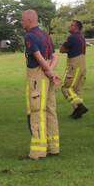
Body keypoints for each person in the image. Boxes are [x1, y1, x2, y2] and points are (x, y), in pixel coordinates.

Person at [21, 9, 62, 159]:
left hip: (38, 77)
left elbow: (38, 57)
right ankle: (53, 148)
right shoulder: (45, 35)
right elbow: (55, 56)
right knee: (51, 110)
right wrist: (51, 72)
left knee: (37, 112)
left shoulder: (30, 36)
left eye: (22, 20)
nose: (21, 23)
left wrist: (49, 72)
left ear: (29, 20)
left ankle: (38, 152)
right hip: (48, 75)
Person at [60, 19, 89, 119]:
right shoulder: (81, 37)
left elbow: (62, 50)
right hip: (83, 64)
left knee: (66, 88)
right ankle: (77, 112)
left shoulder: (72, 37)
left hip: (74, 65)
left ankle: (80, 106)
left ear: (76, 27)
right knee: (77, 89)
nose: (69, 26)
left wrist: (67, 49)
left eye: (72, 25)